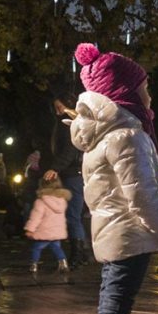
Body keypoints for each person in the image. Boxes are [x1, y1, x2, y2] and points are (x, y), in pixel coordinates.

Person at [70, 43, 158, 314]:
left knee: (113, 302)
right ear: (123, 91)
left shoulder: (105, 132)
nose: (149, 96)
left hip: (115, 231)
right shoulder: (126, 135)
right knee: (116, 305)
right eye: (143, 88)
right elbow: (141, 193)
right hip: (129, 233)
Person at [45, 93, 91, 267]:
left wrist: (55, 167)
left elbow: (70, 150)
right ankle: (82, 253)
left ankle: (77, 255)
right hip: (70, 174)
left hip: (73, 174)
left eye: (60, 107)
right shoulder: (64, 124)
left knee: (73, 215)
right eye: (56, 108)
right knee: (73, 215)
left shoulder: (71, 124)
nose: (58, 111)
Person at [24, 175, 70, 280]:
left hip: (44, 232)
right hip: (57, 232)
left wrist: (30, 229)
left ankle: (34, 265)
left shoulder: (41, 201)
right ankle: (63, 263)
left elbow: (35, 217)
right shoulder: (62, 200)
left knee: (36, 248)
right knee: (56, 247)